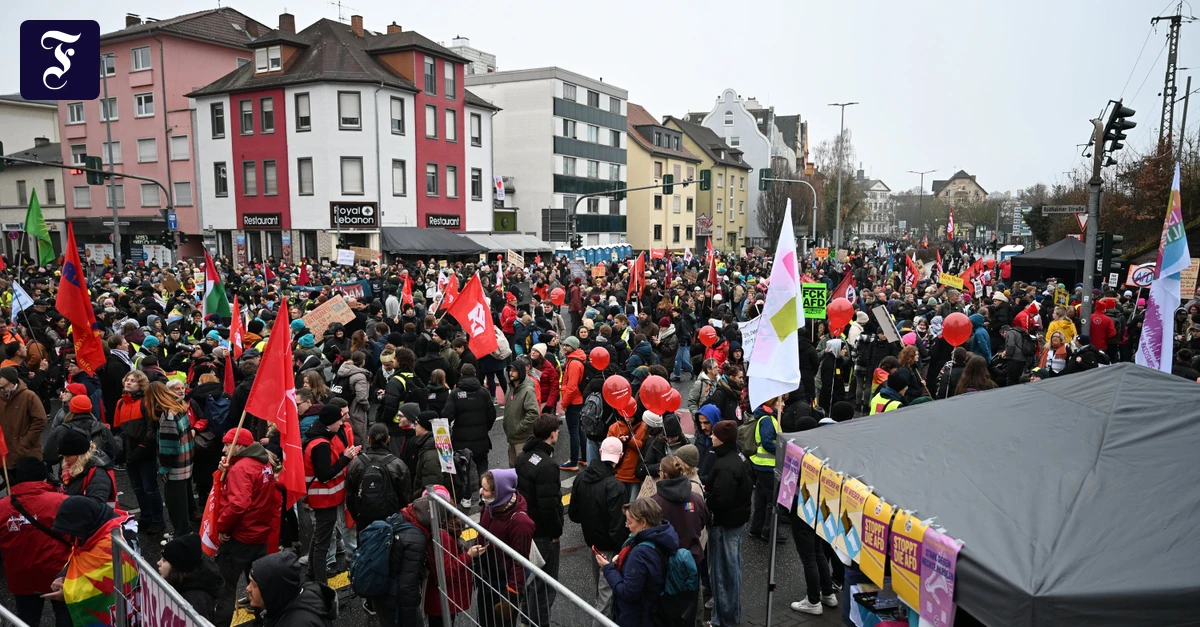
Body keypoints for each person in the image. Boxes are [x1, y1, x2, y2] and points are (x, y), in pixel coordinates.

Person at [213, 428, 282, 627]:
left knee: (225, 589)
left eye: (227, 444)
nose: (225, 450)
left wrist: (222, 527)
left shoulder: (242, 468)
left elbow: (238, 504)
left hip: (240, 537)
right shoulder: (263, 463)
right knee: (259, 587)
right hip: (259, 534)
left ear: (240, 446)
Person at [0, 457, 72, 627]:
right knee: (66, 617)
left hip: (21, 577)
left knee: (26, 618)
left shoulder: (2, 507)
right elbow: (77, 537)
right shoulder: (62, 502)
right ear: (44, 478)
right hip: (59, 575)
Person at [569, 436, 629, 626]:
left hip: (592, 543)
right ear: (620, 456)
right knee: (607, 595)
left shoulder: (580, 478)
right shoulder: (616, 486)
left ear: (601, 452)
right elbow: (618, 526)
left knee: (600, 591)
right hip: (610, 548)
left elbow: (573, 515)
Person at [596, 497, 680, 627]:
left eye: (629, 522)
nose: (626, 526)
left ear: (643, 522)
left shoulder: (640, 554)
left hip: (637, 617)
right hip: (655, 610)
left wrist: (608, 568)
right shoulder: (662, 536)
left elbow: (627, 592)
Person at [514, 413, 565, 627]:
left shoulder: (523, 457)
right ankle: (539, 622)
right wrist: (555, 533)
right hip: (544, 533)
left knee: (531, 580)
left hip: (528, 527)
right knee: (546, 584)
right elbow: (550, 505)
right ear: (551, 434)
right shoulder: (548, 465)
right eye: (557, 431)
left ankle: (526, 618)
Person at [303, 404, 361, 585]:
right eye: (339, 421)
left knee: (318, 538)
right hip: (324, 499)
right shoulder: (321, 444)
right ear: (330, 423)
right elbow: (325, 474)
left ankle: (312, 574)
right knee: (323, 543)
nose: (341, 425)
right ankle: (321, 586)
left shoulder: (318, 437)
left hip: (322, 498)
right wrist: (346, 458)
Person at [703, 420, 753, 627]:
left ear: (722, 439)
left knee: (723, 575)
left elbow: (721, 500)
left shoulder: (724, 466)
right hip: (736, 522)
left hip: (724, 525)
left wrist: (708, 496)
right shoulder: (740, 457)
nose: (711, 437)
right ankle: (726, 617)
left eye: (714, 435)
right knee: (732, 571)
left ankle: (723, 621)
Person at [652, 456, 708, 626]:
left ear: (663, 474)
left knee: (667, 600)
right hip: (692, 556)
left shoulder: (654, 502)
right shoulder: (695, 498)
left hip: (665, 561)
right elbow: (703, 521)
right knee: (694, 597)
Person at [476, 469, 535, 627]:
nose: (481, 492)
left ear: (499, 492)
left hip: (503, 583)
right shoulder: (492, 505)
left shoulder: (521, 522)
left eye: (486, 489)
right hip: (488, 575)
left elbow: (519, 562)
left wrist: (511, 596)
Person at [115, 370, 167, 535]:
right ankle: (146, 517)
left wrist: (142, 448)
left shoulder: (146, 402)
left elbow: (152, 430)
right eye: (127, 380)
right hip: (130, 451)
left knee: (149, 488)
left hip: (145, 451)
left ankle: (158, 520)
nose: (128, 383)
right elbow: (118, 429)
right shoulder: (120, 403)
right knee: (137, 487)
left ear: (141, 384)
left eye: (133, 381)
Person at [146, 381, 194, 536]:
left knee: (175, 504)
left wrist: (163, 469)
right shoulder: (179, 407)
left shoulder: (168, 415)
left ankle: (181, 536)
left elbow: (168, 446)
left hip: (175, 466)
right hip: (186, 461)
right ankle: (184, 531)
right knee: (183, 502)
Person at [345, 423, 412, 530]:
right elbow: (405, 497)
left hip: (364, 518)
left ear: (368, 440)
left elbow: (349, 496)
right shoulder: (398, 465)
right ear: (388, 439)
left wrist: (357, 517)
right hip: (391, 520)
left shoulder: (356, 463)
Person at [246, 551, 338, 627]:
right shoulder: (293, 601)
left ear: (272, 589)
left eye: (254, 585)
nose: (248, 588)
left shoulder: (297, 623)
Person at [442, 363, 497, 473]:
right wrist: (485, 428)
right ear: (475, 374)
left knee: (462, 469)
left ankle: (466, 490)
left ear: (461, 374)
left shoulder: (455, 394)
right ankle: (484, 487)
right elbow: (492, 415)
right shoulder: (483, 392)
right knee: (482, 464)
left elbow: (446, 416)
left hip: (461, 439)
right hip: (481, 437)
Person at [159, 533, 223, 622]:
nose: (158, 563)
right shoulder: (182, 582)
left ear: (177, 567)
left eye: (164, 560)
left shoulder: (195, 602)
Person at [747, 396, 781, 540]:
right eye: (780, 401)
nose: (783, 404)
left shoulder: (767, 417)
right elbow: (767, 443)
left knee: (761, 498)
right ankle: (768, 531)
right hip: (767, 466)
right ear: (772, 403)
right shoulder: (768, 420)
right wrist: (782, 449)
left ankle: (756, 528)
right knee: (772, 500)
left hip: (761, 465)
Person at [56, 429, 118, 508]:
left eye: (68, 456)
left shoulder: (98, 473)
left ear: (80, 455)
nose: (65, 460)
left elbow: (95, 505)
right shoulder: (69, 468)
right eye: (63, 456)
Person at [0, 366, 47, 469]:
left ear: (9, 379)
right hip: (6, 453)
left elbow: (40, 420)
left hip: (26, 453)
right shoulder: (1, 397)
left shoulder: (29, 396)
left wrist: (25, 442)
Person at [503, 359, 539, 466]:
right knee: (513, 467)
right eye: (510, 370)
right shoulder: (510, 388)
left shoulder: (528, 390)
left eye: (514, 371)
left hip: (522, 438)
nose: (511, 373)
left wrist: (519, 428)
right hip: (512, 437)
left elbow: (533, 413)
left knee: (523, 469)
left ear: (521, 372)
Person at [559, 336, 588, 470]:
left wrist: (564, 403)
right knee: (579, 430)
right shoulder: (575, 359)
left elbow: (571, 387)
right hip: (577, 399)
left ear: (574, 347)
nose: (564, 347)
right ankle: (584, 457)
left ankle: (573, 461)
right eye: (564, 345)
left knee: (574, 431)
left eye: (567, 346)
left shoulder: (574, 363)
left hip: (573, 401)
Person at [410, 411, 450, 499]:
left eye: (416, 424)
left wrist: (414, 497)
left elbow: (431, 486)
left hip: (428, 503)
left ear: (425, 427)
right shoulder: (429, 445)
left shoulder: (431, 454)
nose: (414, 427)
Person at [335, 350, 373, 444]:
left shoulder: (342, 370)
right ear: (363, 361)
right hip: (355, 409)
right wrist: (367, 407)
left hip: (342, 406)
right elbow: (362, 398)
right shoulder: (360, 376)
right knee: (357, 433)